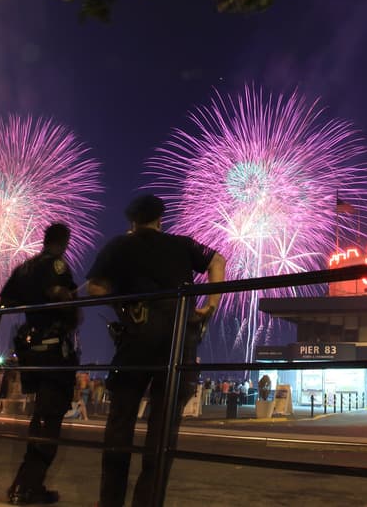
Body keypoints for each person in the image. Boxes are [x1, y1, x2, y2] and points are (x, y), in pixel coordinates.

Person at [87, 193, 226, 507]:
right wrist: (210, 305)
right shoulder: (181, 244)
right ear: (160, 219)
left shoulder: (119, 245)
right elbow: (218, 261)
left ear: (132, 221)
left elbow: (96, 286)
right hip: (178, 340)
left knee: (120, 422)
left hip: (135, 338)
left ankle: (110, 501)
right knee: (162, 430)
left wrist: (122, 298)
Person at [0, 223, 79, 505]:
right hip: (53, 349)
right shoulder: (57, 265)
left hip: (30, 348)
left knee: (41, 416)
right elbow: (61, 294)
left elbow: (6, 300)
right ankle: (27, 486)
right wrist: (68, 304)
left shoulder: (24, 267)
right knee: (50, 416)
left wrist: (32, 306)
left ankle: (28, 482)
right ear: (65, 241)